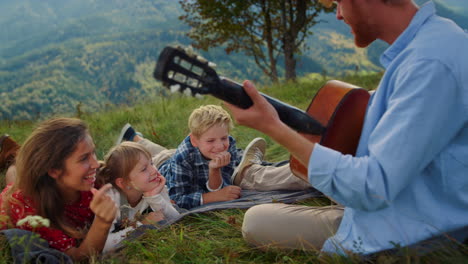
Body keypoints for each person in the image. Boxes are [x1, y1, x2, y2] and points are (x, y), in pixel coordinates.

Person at [223, 0, 468, 256]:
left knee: (257, 220)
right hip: (414, 192)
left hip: (414, 227)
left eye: (340, 2)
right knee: (333, 155)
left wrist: (273, 127)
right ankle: (252, 174)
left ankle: (252, 176)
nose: (338, 15)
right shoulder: (440, 37)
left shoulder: (428, 63)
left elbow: (371, 189)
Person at [119, 105, 312, 210]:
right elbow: (178, 198)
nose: (220, 146)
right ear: (194, 140)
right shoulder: (182, 158)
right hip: (166, 166)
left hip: (187, 157)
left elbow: (224, 186)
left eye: (223, 138)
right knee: (160, 156)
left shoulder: (228, 145)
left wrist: (215, 170)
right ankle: (135, 142)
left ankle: (135, 137)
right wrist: (210, 197)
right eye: (211, 140)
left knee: (165, 150)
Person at [0, 118, 118, 260]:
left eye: (93, 152)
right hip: (16, 203)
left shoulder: (86, 181)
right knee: (15, 183)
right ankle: (13, 159)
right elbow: (78, 258)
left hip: (40, 184)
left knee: (15, 177)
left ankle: (13, 156)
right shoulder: (33, 213)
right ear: (54, 170)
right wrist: (102, 222)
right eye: (84, 158)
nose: (95, 164)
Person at [96, 141, 181, 252]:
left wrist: (153, 197)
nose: (154, 171)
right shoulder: (112, 200)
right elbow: (103, 245)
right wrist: (141, 226)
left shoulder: (152, 185)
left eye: (151, 163)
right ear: (123, 183)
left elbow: (176, 218)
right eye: (144, 169)